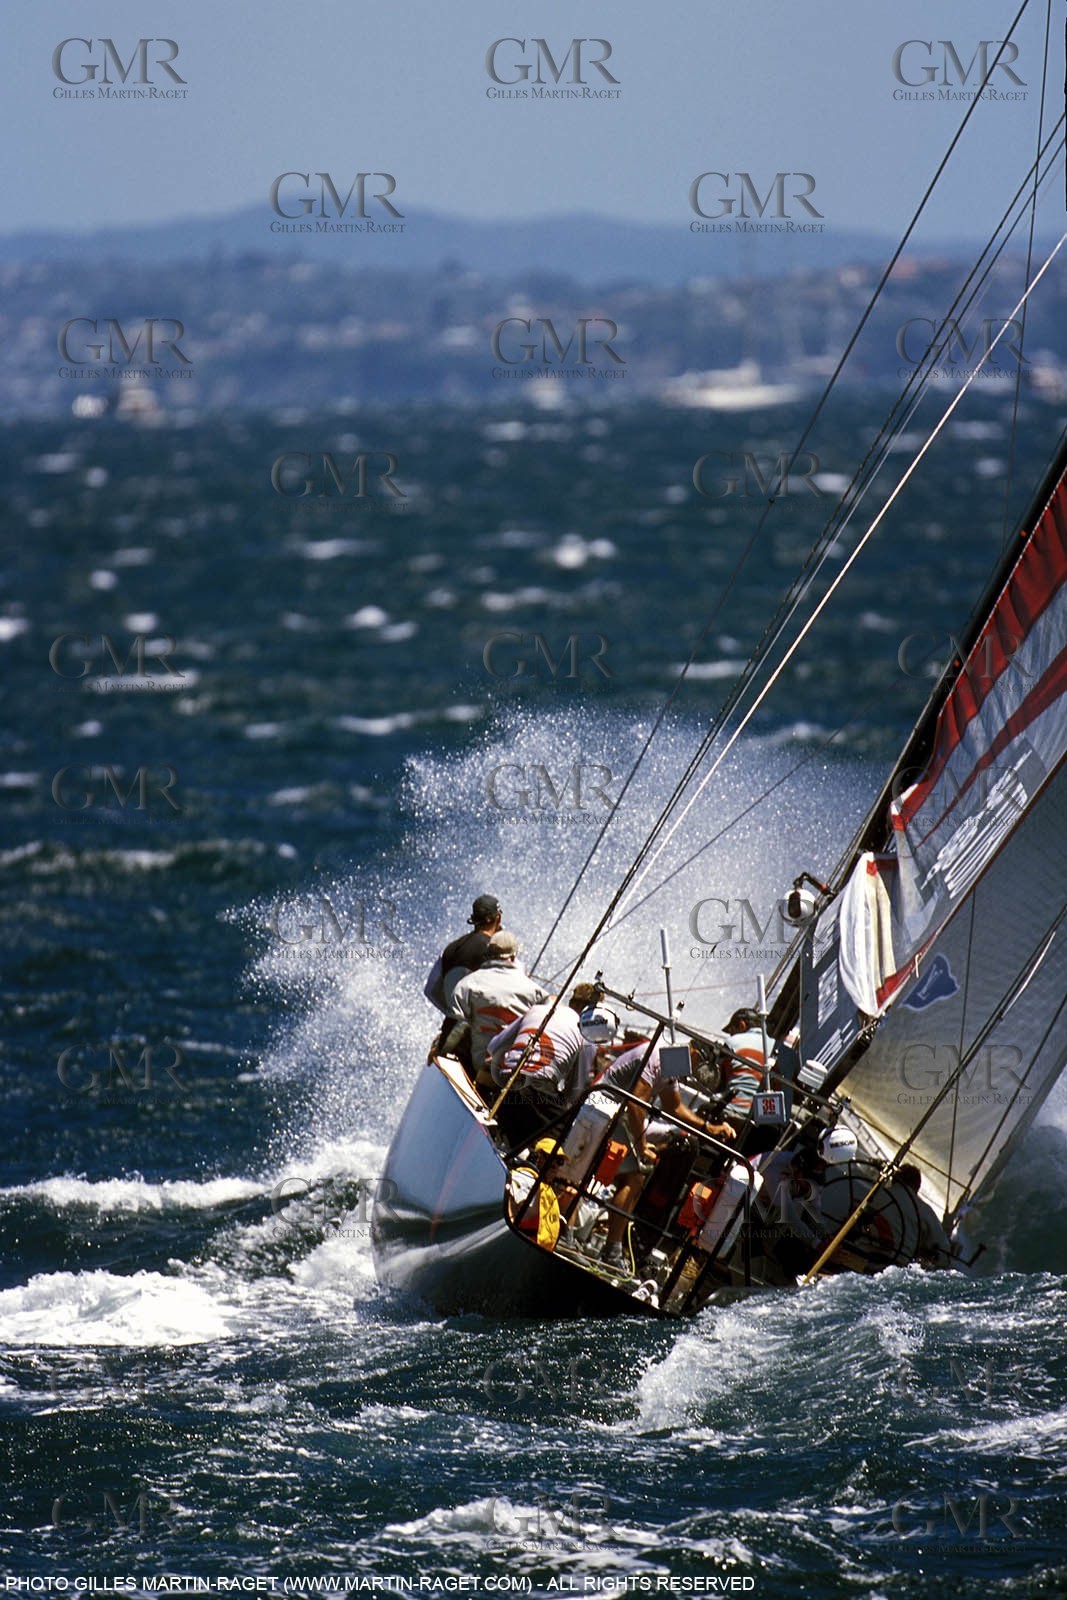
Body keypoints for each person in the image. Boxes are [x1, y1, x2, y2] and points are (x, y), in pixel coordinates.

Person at [595, 1037, 736, 1273]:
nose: (694, 1069)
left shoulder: (670, 1062)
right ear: (692, 1052)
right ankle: (611, 1250)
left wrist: (708, 1128)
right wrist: (642, 1148)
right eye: (697, 1063)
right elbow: (636, 1103)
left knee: (641, 1172)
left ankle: (613, 1245)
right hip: (605, 1107)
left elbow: (674, 1107)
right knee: (634, 1178)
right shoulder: (660, 1057)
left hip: (616, 1112)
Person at [437, 931, 549, 1090]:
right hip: (517, 1078)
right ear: (513, 957)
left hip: (479, 1072)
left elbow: (456, 1028)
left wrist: (439, 1052)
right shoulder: (537, 993)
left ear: (488, 954)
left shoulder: (467, 985)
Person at [488, 983, 600, 1139]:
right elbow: (575, 1092)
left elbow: (493, 1047)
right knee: (561, 1134)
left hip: (505, 1082)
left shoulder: (536, 1010)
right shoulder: (587, 1036)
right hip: (539, 1091)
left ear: (571, 1000)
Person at [423, 894, 502, 1014]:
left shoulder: (450, 949)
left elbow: (430, 990)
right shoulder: (495, 948)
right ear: (498, 918)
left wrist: (452, 1013)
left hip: (453, 1022)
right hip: (486, 1023)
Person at [895, 1164, 953, 1269]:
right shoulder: (925, 1211)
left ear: (893, 1179)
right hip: (895, 1265)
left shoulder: (875, 1195)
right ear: (917, 1187)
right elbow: (944, 1256)